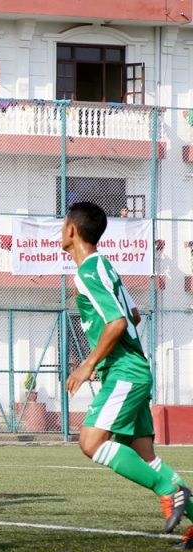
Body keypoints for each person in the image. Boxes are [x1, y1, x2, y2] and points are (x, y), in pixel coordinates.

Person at [61, 202, 190, 533]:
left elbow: (118, 322)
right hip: (131, 369)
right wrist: (102, 356)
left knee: (91, 442)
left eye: (62, 225)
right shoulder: (105, 267)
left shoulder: (88, 272)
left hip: (125, 373)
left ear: (72, 230)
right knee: (146, 458)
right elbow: (132, 315)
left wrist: (88, 364)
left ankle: (167, 490)